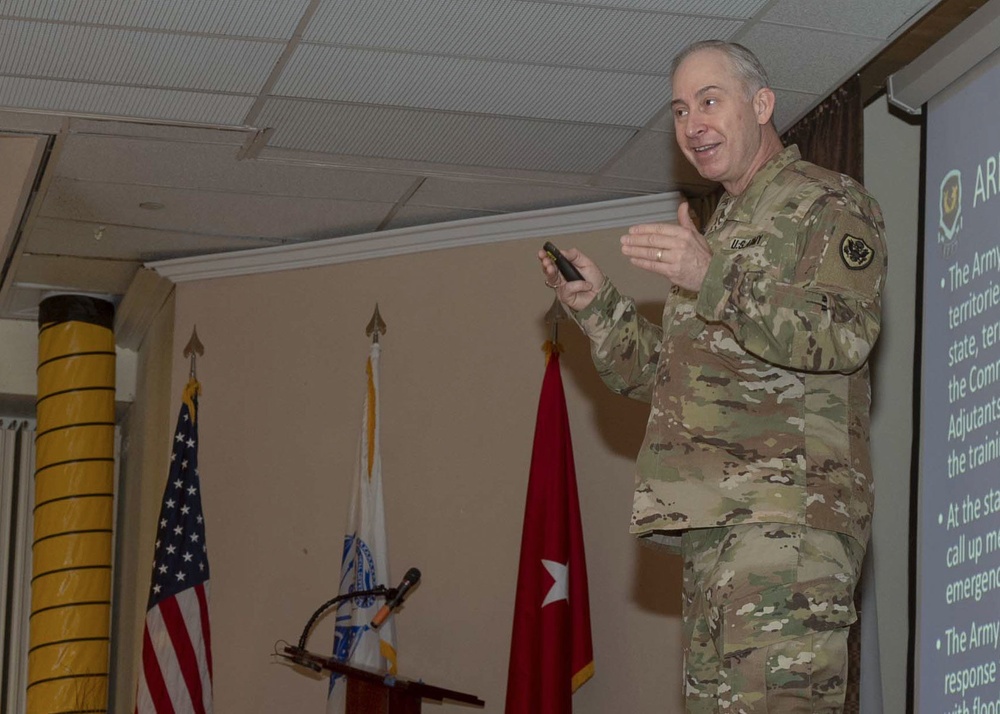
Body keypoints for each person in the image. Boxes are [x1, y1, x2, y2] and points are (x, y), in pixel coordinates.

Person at [538, 40, 887, 713]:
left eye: (709, 100)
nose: (691, 123)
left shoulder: (827, 204)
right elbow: (671, 379)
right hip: (714, 533)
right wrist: (599, 307)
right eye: (678, 110)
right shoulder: (720, 230)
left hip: (786, 529)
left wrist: (711, 276)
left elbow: (844, 332)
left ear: (761, 105)